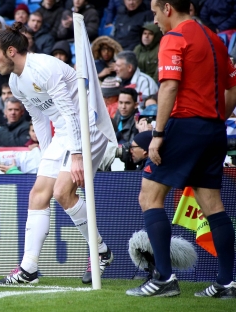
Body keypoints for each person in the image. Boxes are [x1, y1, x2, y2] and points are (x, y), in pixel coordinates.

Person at [0, 22, 117, 285]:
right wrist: (48, 156)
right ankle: (29, 270)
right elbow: (39, 117)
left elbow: (71, 112)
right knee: (38, 194)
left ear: (11, 51)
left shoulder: (44, 68)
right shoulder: (15, 81)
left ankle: (101, 252)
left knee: (61, 192)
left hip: (87, 125)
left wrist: (78, 155)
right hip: (63, 133)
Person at [126, 0, 236, 298]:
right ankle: (227, 283)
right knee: (213, 206)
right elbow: (232, 87)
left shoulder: (174, 38)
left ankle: (164, 278)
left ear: (167, 8)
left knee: (149, 196)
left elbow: (169, 87)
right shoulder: (216, 38)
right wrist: (216, 119)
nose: (154, 18)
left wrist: (158, 134)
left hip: (183, 126)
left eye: (154, 11)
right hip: (214, 130)